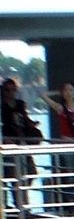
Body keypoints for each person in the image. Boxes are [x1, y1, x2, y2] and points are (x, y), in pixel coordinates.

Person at [41, 82, 74, 207]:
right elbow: (43, 95)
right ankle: (71, 202)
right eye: (65, 90)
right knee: (70, 173)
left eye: (71, 90)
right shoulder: (60, 108)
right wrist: (57, 91)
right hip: (67, 143)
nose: (68, 92)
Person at [2, 78, 42, 211]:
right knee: (11, 174)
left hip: (22, 143)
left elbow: (25, 119)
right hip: (8, 146)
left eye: (13, 89)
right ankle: (17, 204)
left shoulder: (20, 104)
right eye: (7, 89)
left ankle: (20, 202)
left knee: (30, 172)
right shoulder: (2, 106)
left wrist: (32, 126)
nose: (10, 92)